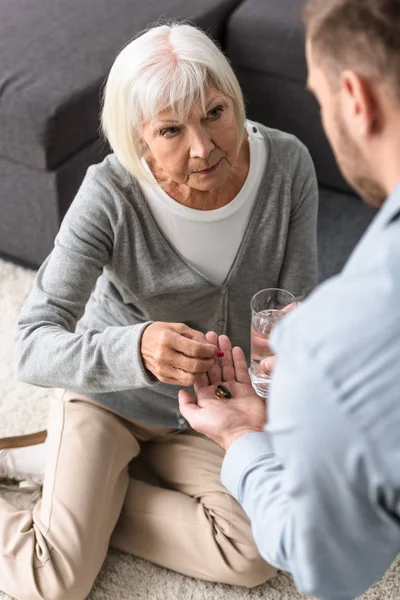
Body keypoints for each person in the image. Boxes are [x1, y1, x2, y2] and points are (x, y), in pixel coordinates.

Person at [0, 21, 318, 600]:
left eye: (215, 112)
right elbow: (31, 344)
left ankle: (75, 484)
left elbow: (292, 312)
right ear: (137, 138)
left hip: (211, 412)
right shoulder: (109, 194)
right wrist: (137, 349)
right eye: (171, 129)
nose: (204, 146)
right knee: (53, 581)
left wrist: (276, 406)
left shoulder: (288, 166)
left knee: (255, 551)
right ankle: (77, 490)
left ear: (234, 99)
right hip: (109, 400)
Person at [178, 1, 400, 599]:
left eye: (319, 98)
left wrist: (242, 438)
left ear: (355, 99)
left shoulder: (336, 350)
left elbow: (327, 566)